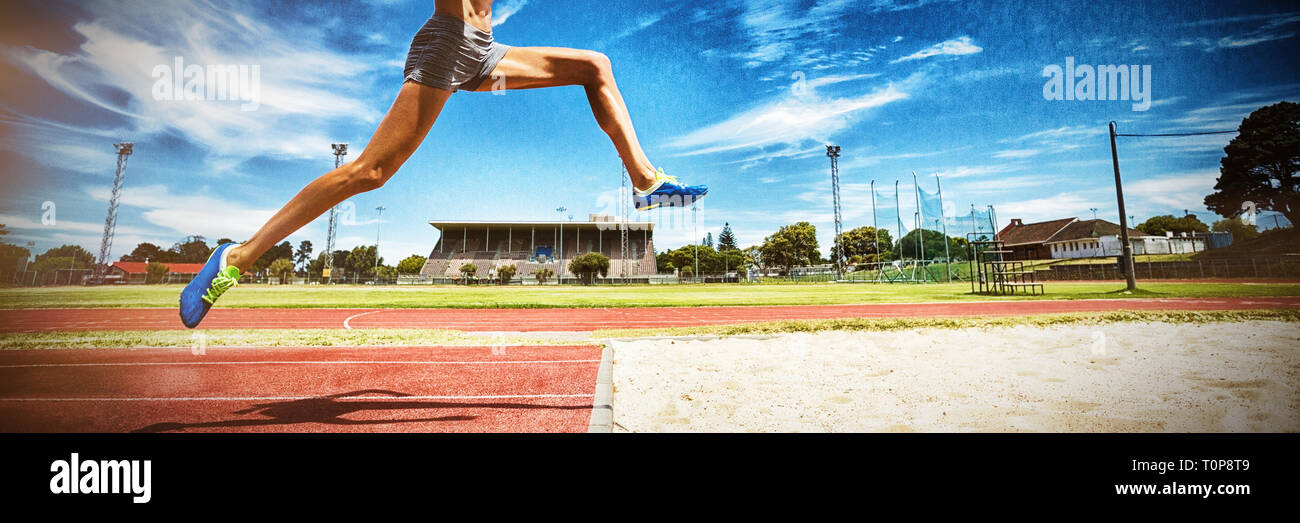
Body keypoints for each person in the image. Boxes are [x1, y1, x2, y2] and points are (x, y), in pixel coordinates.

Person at [179, 0, 707, 328]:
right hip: (446, 44)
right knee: (369, 172)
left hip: (483, 49)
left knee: (596, 66)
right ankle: (239, 257)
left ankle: (644, 180)